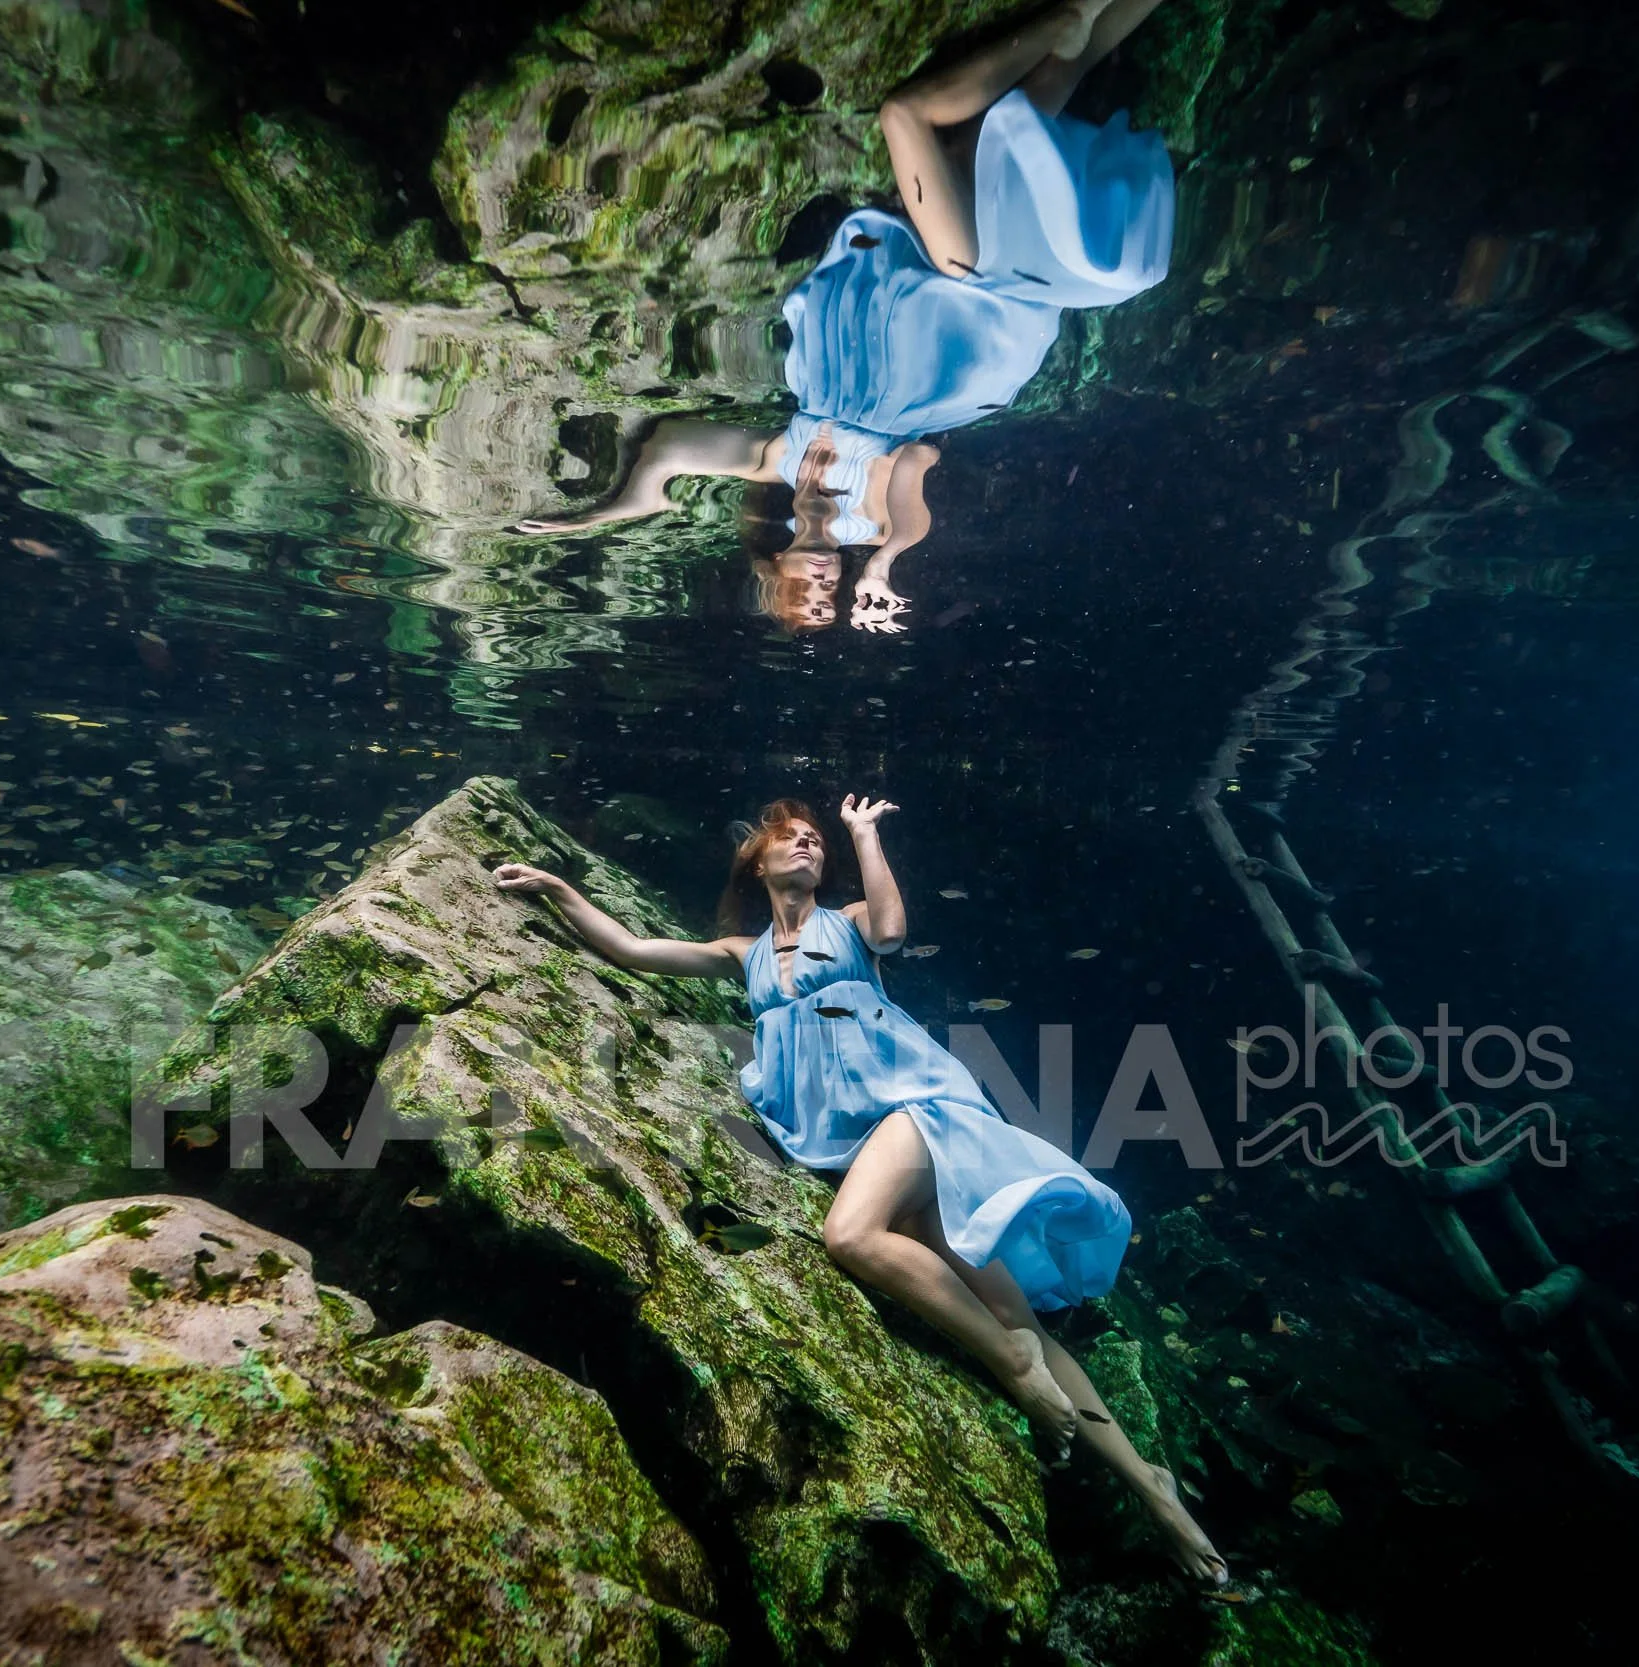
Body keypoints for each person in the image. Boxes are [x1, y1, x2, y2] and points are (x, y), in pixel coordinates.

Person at [492, 793, 1228, 1586]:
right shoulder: (740, 952)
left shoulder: (846, 923)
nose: (808, 845)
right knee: (1021, 1314)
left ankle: (1012, 1367)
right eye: (792, 838)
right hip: (872, 1155)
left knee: (850, 1236)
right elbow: (634, 949)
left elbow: (893, 929)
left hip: (916, 1112)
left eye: (817, 839)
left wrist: (864, 833)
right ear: (758, 860)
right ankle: (1153, 1489)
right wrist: (559, 890)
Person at [514, 0, 1175, 634]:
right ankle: (1065, 20)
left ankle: (1077, 25)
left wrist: (629, 502)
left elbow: (674, 443)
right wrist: (884, 563)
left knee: (1020, 109)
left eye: (805, 594)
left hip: (919, 273)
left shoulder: (777, 465)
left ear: (775, 572)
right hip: (968, 296)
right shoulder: (873, 523)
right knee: (906, 117)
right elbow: (915, 459)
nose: (823, 584)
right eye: (830, 597)